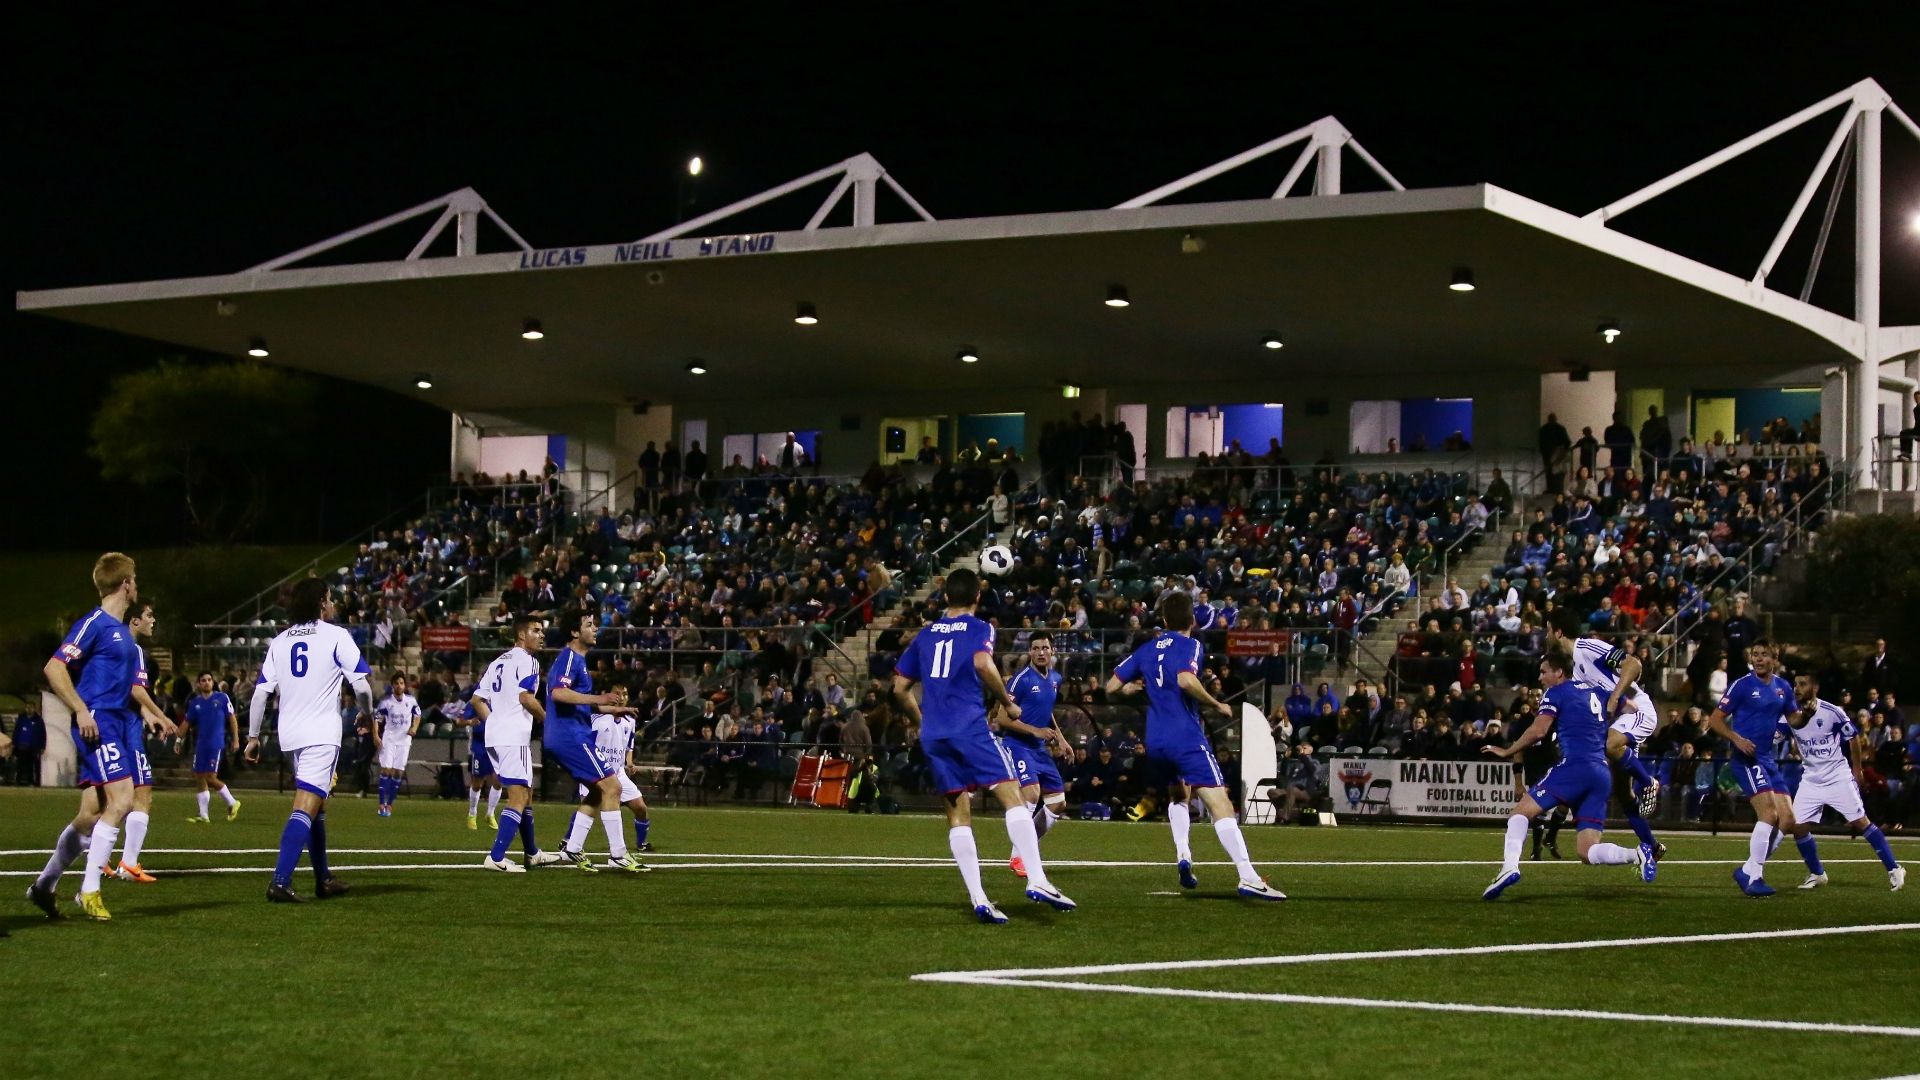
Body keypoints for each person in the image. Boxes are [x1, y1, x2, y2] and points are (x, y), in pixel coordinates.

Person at [893, 567, 1074, 923]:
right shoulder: (979, 627)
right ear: (977, 597)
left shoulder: (925, 634)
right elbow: (982, 662)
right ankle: (1037, 879)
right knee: (1012, 795)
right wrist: (1006, 700)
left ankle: (979, 899)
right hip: (969, 728)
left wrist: (922, 722)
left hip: (935, 735)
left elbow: (899, 687)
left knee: (958, 813)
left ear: (945, 598)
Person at [1104, 590, 1286, 901]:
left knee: (1179, 794)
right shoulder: (1192, 644)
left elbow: (1110, 688)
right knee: (1221, 805)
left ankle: (1184, 854)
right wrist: (1216, 704)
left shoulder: (1146, 649)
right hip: (1185, 737)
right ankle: (1248, 875)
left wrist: (1133, 688)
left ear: (1163, 620)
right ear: (1192, 620)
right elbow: (1187, 680)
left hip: (1155, 741)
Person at [27, 552, 170, 921]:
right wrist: (79, 709)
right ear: (125, 584)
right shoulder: (95, 623)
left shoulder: (122, 632)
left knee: (92, 813)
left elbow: (119, 685)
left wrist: (147, 715)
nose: (136, 585)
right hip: (98, 724)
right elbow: (54, 667)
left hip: (115, 723)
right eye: (134, 579)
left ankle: (44, 886)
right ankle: (89, 890)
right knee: (122, 800)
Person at [1481, 648, 1653, 900]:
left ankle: (1509, 867)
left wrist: (1509, 750)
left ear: (1559, 672)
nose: (1540, 677)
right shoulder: (1599, 691)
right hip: (1601, 774)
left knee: (1520, 812)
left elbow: (1539, 731)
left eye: (1544, 672)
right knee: (1587, 851)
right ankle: (1637, 854)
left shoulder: (1556, 693)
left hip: (1575, 766)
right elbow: (1631, 707)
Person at [244, 577, 372, 904]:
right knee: (305, 804)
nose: (332, 604)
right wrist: (367, 715)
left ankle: (323, 878)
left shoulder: (280, 641)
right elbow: (362, 686)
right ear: (320, 603)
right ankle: (280, 881)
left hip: (290, 736)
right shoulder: (336, 635)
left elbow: (260, 695)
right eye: (329, 599)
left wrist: (253, 737)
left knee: (317, 804)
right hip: (321, 735)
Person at [546, 608, 646, 873]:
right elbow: (558, 693)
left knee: (597, 791)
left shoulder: (579, 663)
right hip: (570, 735)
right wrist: (598, 698)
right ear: (574, 632)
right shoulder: (570, 658)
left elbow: (578, 704)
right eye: (589, 624)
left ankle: (573, 848)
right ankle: (618, 854)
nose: (595, 629)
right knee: (612, 787)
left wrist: (613, 709)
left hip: (571, 733)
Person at [1785, 673, 1905, 891]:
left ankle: (1894, 868)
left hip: (1837, 776)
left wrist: (1856, 769)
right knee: (1798, 828)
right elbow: (1775, 735)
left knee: (1861, 822)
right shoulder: (1791, 714)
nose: (1797, 688)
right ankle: (1817, 873)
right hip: (1811, 778)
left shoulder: (1832, 712)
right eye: (1795, 684)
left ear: (1815, 687)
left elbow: (1854, 738)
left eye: (1803, 684)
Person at [1703, 639, 1800, 898]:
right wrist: (1736, 738)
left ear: (1774, 658)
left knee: (1787, 819)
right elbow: (1714, 719)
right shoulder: (1742, 685)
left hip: (1767, 758)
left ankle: (1747, 868)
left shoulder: (1783, 688)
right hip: (1745, 759)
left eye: (1764, 655)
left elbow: (1794, 719)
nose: (1758, 659)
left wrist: (1808, 713)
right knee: (1769, 814)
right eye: (1755, 654)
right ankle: (1754, 876)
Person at [1562, 631, 1666, 864]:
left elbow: (1633, 663)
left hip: (1637, 711)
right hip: (1618, 724)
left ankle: (1649, 782)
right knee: (1622, 792)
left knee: (1611, 744)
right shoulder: (1577, 676)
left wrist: (1615, 696)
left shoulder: (1589, 649)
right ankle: (1652, 846)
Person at [474, 615, 563, 872]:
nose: (542, 635)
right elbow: (525, 698)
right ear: (522, 635)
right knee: (518, 796)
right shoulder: (528, 661)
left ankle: (532, 852)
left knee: (526, 793)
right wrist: (550, 721)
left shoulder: (498, 661)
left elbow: (477, 700)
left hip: (495, 735)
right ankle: (496, 856)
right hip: (513, 737)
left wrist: (495, 723)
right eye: (536, 630)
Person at [107, 601, 179, 883]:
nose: (153, 620)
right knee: (142, 794)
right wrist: (162, 716)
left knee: (102, 801)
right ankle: (129, 864)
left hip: (113, 724)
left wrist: (149, 716)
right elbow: (136, 689)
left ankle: (100, 861)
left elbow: (128, 691)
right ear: (134, 620)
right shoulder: (133, 649)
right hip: (126, 729)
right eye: (149, 615)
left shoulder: (114, 646)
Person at [999, 632, 1074, 878]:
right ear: (1030, 652)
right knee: (1031, 793)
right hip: (1018, 745)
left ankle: (1026, 848)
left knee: (1057, 802)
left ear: (1053, 651)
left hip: (1039, 749)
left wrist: (1061, 739)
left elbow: (1046, 709)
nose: (1041, 652)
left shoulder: (1055, 678)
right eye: (1035, 648)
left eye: (1045, 648)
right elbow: (1001, 719)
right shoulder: (1019, 680)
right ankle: (1017, 855)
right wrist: (1035, 730)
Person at [556, 693, 655, 862]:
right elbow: (585, 741)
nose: (622, 697)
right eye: (618, 694)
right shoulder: (596, 719)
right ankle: (572, 844)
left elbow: (628, 745)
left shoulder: (629, 721)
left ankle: (640, 844)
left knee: (640, 807)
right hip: (596, 770)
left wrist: (629, 762)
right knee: (590, 805)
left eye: (625, 694)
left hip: (618, 772)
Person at [181, 671, 242, 824]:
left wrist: (236, 740)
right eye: (203, 680)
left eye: (209, 679)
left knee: (210, 777)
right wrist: (177, 740)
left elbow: (232, 719)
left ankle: (232, 802)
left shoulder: (222, 698)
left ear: (213, 682)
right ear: (198, 684)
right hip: (201, 744)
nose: (207, 682)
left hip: (216, 743)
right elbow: (186, 723)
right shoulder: (195, 703)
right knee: (199, 775)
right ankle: (203, 815)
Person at [372, 673, 420, 817]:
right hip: (389, 739)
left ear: (404, 685)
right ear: (392, 685)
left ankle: (390, 804)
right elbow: (377, 719)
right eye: (396, 683)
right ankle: (381, 804)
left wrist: (414, 728)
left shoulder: (411, 701)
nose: (399, 686)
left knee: (398, 772)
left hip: (404, 740)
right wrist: (375, 735)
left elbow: (418, 715)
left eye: (401, 683)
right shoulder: (386, 703)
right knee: (386, 770)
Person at [455, 699, 501, 830]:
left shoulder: (501, 698)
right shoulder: (476, 701)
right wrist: (469, 722)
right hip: (479, 746)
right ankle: (472, 813)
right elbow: (458, 721)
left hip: (497, 745)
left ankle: (490, 814)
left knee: (498, 780)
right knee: (477, 783)